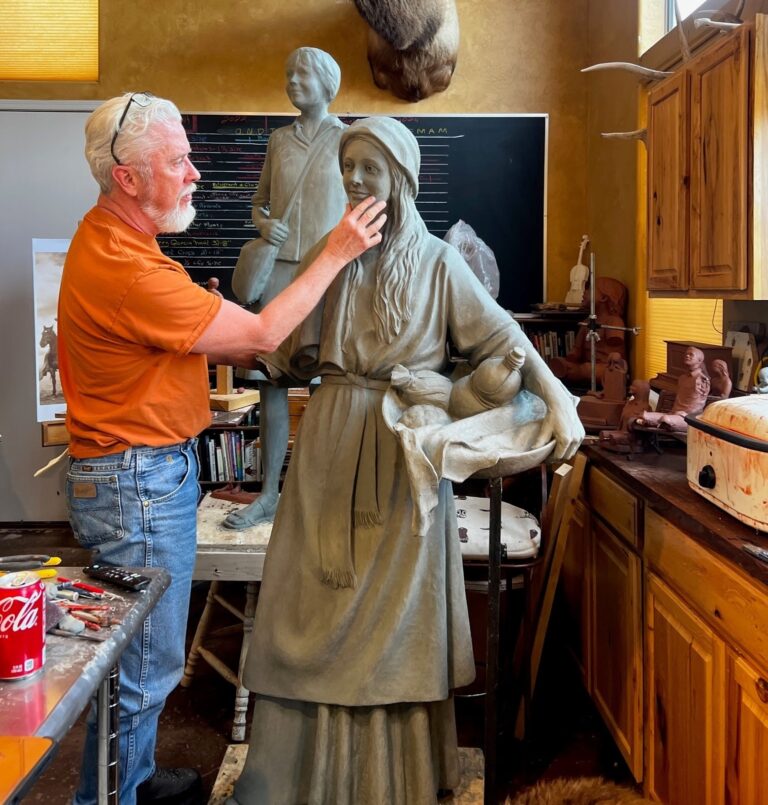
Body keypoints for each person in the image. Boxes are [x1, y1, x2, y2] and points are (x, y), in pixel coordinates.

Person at [227, 116, 583, 805]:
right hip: (329, 447)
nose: (356, 180)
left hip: (403, 461)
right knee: (305, 607)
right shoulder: (330, 253)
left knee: (398, 629)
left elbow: (504, 339)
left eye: (370, 168)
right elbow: (279, 350)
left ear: (402, 179)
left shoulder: (441, 264)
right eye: (348, 168)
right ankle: (290, 777)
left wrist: (559, 402)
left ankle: (395, 782)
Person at [57, 92, 385, 805]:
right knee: (143, 667)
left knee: (140, 658)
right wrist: (336, 250)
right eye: (178, 160)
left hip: (133, 476)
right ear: (127, 179)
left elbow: (191, 339)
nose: (195, 172)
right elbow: (262, 334)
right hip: (137, 484)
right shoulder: (131, 270)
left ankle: (134, 778)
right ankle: (108, 797)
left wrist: (214, 328)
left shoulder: (115, 239)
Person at [225, 47, 348, 530]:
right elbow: (259, 202)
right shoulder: (279, 140)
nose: (293, 81)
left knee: (325, 387)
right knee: (270, 386)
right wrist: (265, 225)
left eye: (302, 74)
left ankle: (317, 499)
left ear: (326, 82)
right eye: (289, 74)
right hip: (278, 273)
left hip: (326, 273)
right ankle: (269, 494)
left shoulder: (347, 139)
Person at [636, 346, 710, 432]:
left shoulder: (702, 380)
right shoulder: (682, 378)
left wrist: (684, 414)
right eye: (686, 354)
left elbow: (698, 404)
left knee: (665, 420)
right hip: (673, 414)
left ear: (699, 360)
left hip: (688, 419)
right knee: (643, 416)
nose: (687, 356)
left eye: (691, 354)